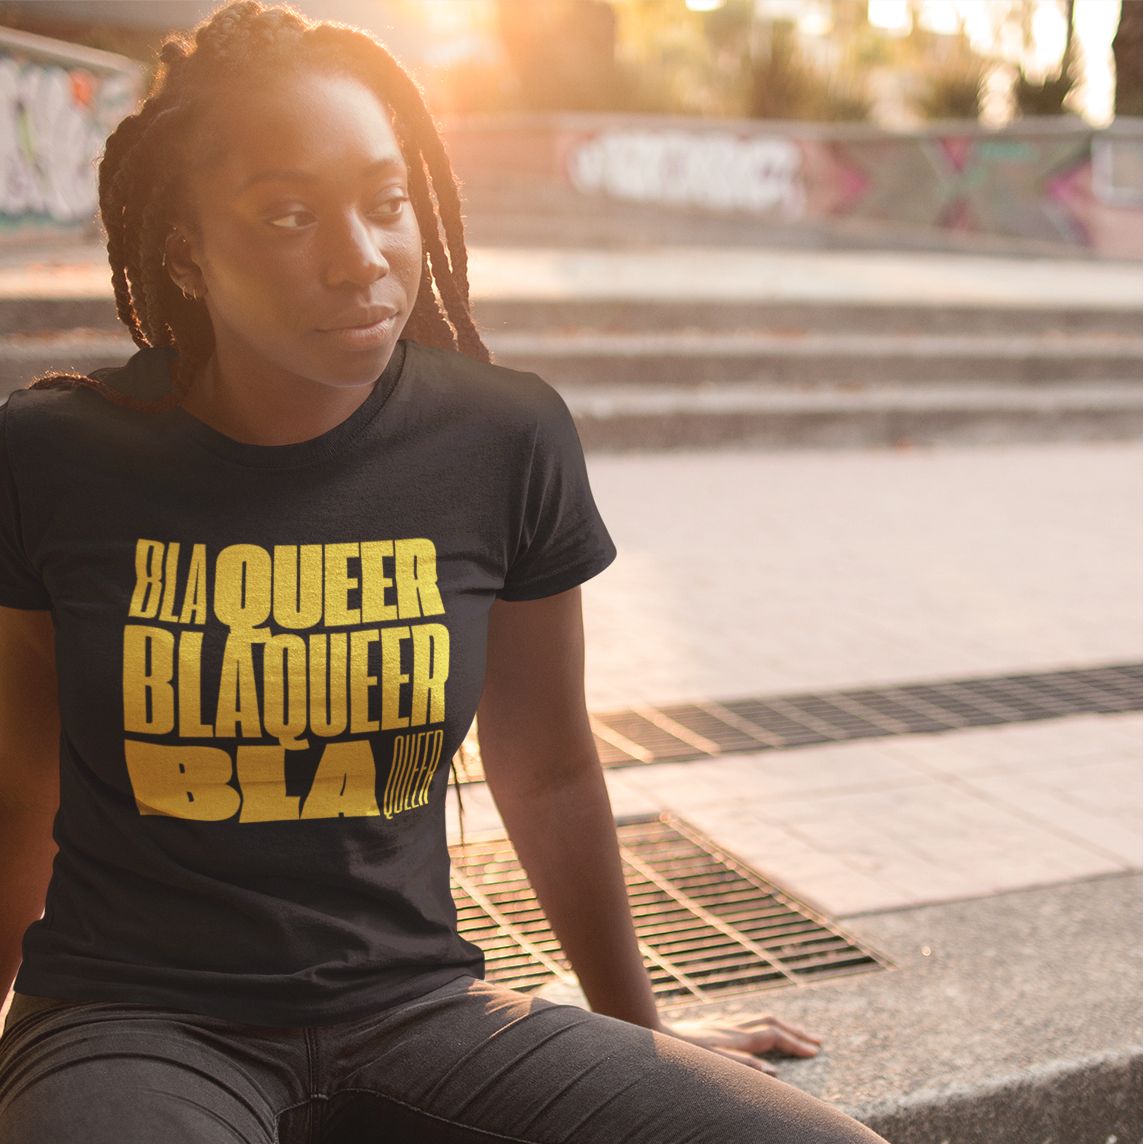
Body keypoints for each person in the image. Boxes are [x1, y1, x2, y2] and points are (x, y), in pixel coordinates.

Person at [0, 4, 887, 1141]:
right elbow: (20, 795)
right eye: (287, 214)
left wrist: (643, 1032)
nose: (360, 258)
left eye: (386, 203)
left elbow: (552, 769)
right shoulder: (51, 456)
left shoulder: (501, 439)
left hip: (419, 1007)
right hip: (132, 1023)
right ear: (183, 247)